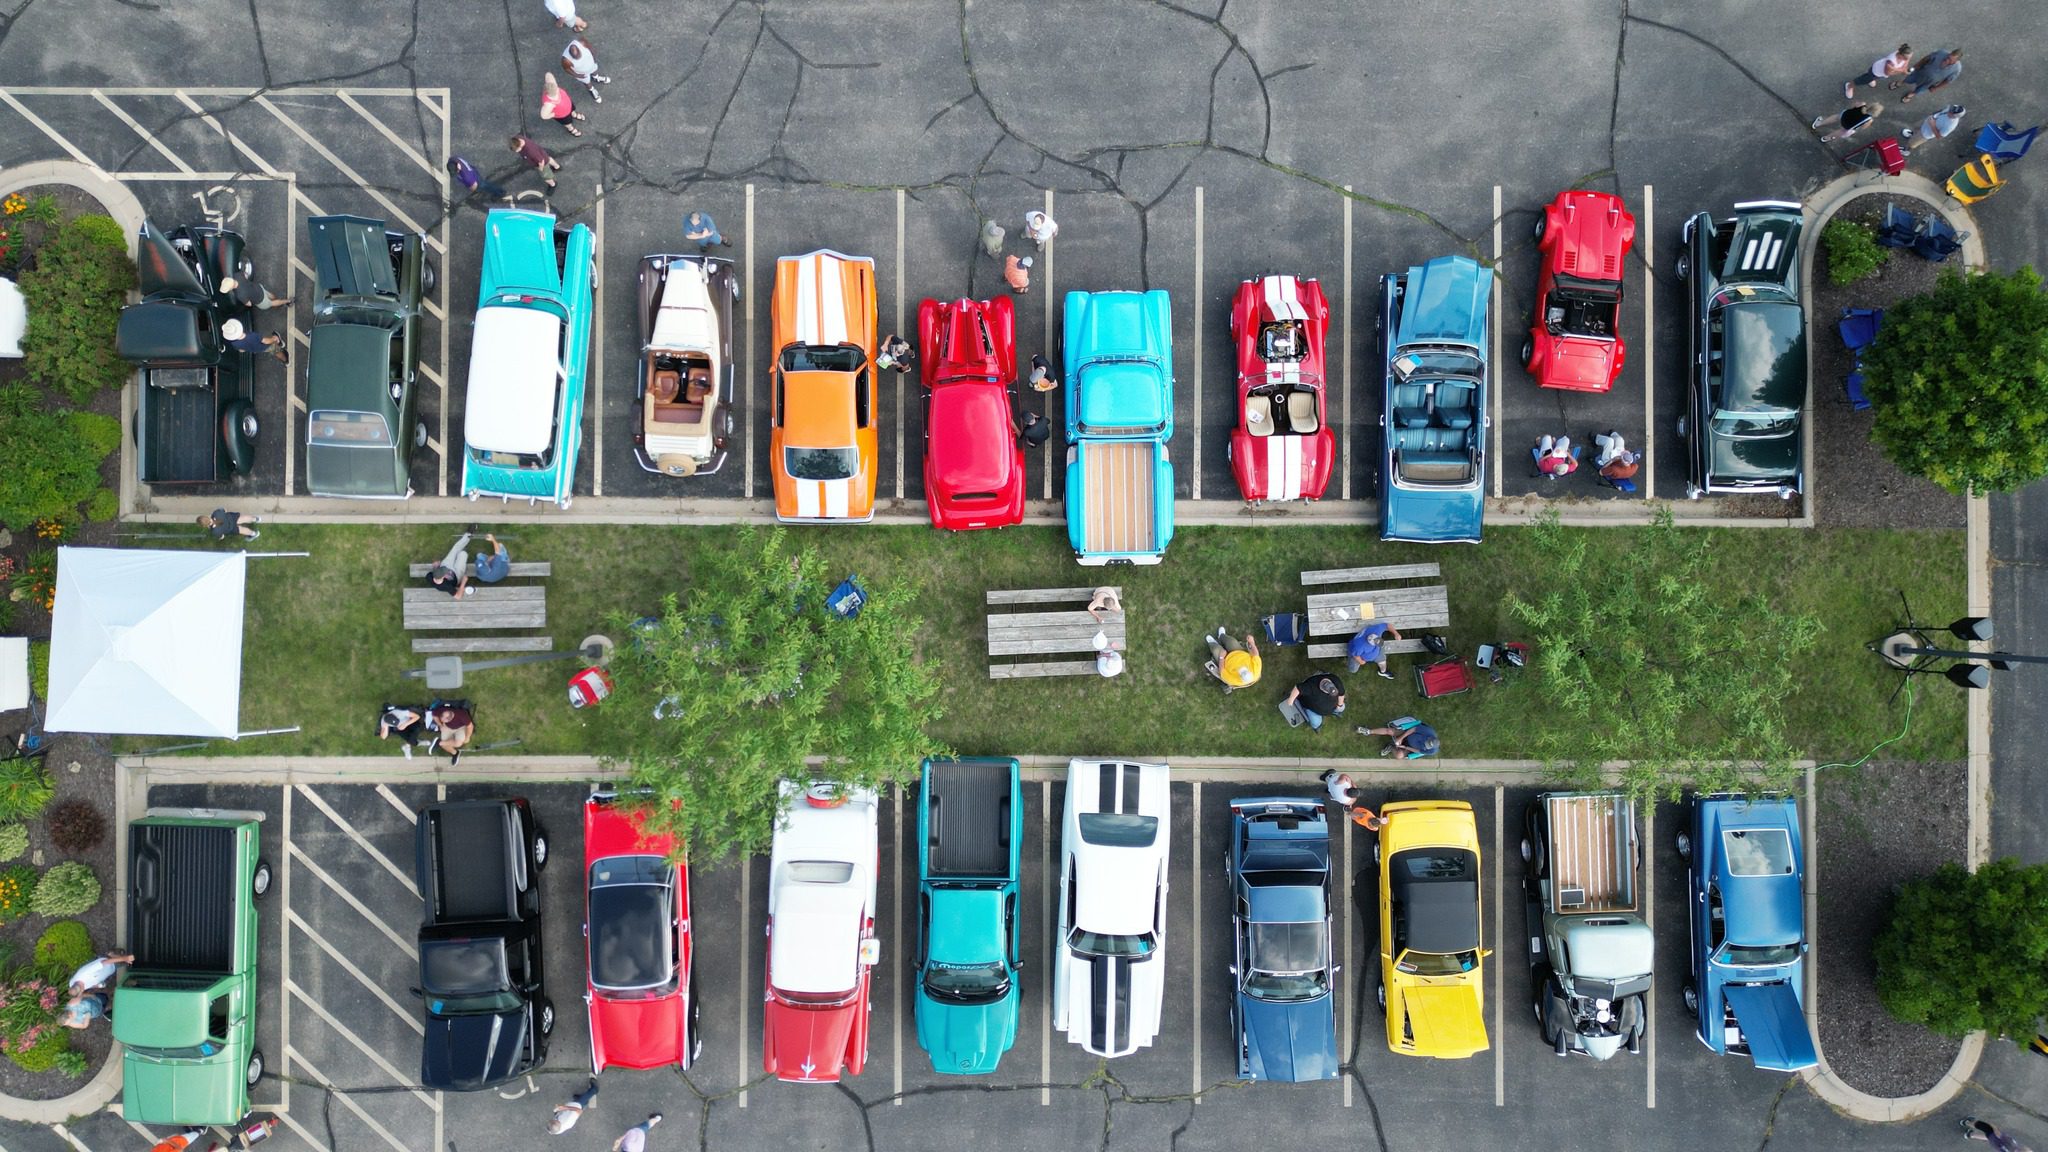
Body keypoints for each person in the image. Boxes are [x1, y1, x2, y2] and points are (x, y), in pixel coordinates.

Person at [1316, 769, 1381, 829]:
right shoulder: (1346, 801)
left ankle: (1328, 776)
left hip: (1332, 783)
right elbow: (1351, 803)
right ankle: (1328, 787)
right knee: (1332, 791)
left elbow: (1344, 775)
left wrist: (1351, 783)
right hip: (1333, 793)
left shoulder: (1345, 783)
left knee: (1333, 775)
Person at [1844, 43, 1912, 98]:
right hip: (1876, 71)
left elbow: (1906, 61)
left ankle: (1870, 79)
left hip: (1880, 72)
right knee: (1862, 80)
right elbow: (1887, 73)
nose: (1907, 60)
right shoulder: (1891, 62)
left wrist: (1903, 68)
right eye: (1906, 58)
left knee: (1870, 76)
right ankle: (1849, 86)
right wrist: (1901, 71)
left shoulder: (1905, 53)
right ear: (1901, 55)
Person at [1358, 719, 1440, 759]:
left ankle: (1392, 747)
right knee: (1389, 731)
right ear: (1429, 738)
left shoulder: (1432, 751)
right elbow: (1413, 729)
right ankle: (1368, 731)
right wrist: (1401, 738)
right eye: (1427, 742)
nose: (1426, 745)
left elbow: (1418, 751)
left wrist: (1405, 748)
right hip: (1408, 734)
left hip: (1410, 746)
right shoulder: (1428, 732)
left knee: (1399, 756)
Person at [562, 38, 610, 103]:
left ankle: (596, 78)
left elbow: (590, 48)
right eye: (575, 58)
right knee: (587, 82)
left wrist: (594, 57)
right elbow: (567, 69)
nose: (578, 58)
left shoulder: (582, 42)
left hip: (591, 64)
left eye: (579, 56)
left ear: (579, 49)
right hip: (582, 73)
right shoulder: (566, 60)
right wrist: (577, 75)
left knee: (594, 70)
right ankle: (592, 90)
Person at [221, 317, 288, 364]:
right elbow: (265, 341)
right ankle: (285, 360)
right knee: (276, 351)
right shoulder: (252, 335)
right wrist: (274, 338)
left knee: (272, 349)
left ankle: (285, 361)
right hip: (266, 346)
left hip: (257, 349)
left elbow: (241, 350)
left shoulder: (234, 343)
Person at [426, 533, 474, 597]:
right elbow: (458, 597)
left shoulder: (429, 576)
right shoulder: (446, 586)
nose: (447, 571)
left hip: (446, 565)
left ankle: (468, 535)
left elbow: (436, 570)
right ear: (443, 577)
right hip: (457, 575)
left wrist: (435, 566)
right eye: (445, 572)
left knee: (455, 548)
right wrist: (463, 582)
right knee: (463, 554)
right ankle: (462, 551)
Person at [540, 73, 587, 137]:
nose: (558, 90)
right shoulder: (549, 104)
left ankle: (574, 114)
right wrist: (554, 114)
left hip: (568, 104)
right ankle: (570, 128)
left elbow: (548, 74)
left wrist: (550, 81)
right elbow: (544, 116)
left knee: (572, 109)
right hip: (563, 115)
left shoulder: (552, 85)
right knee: (567, 122)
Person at [67, 950, 134, 994]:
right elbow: (89, 986)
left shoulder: (85, 973)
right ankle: (117, 956)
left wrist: (124, 958)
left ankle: (112, 954)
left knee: (129, 958)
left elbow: (105, 962)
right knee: (128, 962)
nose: (82, 991)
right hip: (110, 969)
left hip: (110, 963)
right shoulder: (74, 984)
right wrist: (97, 986)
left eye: (82, 990)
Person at [1812, 101, 1881, 143]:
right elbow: (1863, 127)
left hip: (1845, 115)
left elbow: (1853, 105)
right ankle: (1826, 138)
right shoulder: (1869, 119)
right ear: (1875, 113)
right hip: (1848, 125)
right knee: (1841, 132)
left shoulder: (1862, 104)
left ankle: (1818, 124)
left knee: (1835, 117)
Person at [217, 275, 290, 312]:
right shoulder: (236, 275)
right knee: (268, 294)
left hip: (260, 300)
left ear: (231, 288)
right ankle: (277, 299)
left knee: (271, 303)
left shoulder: (239, 295)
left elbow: (249, 304)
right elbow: (246, 275)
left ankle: (287, 301)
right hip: (258, 287)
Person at [1960, 1117, 2032, 1151]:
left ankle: (1965, 1122)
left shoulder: (2012, 1145)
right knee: (1987, 1137)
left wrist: (1994, 1127)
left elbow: (1998, 1134)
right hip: (1994, 1142)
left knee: (1980, 1125)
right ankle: (1969, 1135)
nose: (2029, 1148)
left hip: (1993, 1134)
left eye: (2029, 1150)